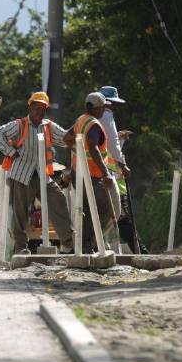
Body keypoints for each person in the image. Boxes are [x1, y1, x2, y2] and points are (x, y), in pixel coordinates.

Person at [0, 91, 74, 255]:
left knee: (58, 200)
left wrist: (77, 127)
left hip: (43, 175)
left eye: (43, 108)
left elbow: (65, 138)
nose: (40, 111)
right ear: (30, 107)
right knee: (20, 214)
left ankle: (69, 244)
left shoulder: (48, 126)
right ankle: (21, 248)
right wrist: (9, 151)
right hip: (22, 175)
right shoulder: (20, 125)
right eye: (37, 107)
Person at [67, 92, 119, 253]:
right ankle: (86, 243)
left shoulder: (81, 120)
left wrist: (77, 151)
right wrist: (106, 173)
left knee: (89, 210)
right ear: (99, 108)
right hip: (93, 176)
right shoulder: (94, 124)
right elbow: (93, 147)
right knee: (105, 210)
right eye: (103, 107)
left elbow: (66, 138)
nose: (104, 110)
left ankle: (86, 245)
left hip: (78, 173)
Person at [98, 85, 146, 253]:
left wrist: (118, 138)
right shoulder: (106, 114)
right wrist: (123, 164)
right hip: (111, 176)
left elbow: (107, 141)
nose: (115, 107)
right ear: (108, 103)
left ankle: (141, 251)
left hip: (104, 174)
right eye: (114, 104)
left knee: (117, 218)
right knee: (121, 217)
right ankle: (141, 252)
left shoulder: (96, 117)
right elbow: (111, 143)